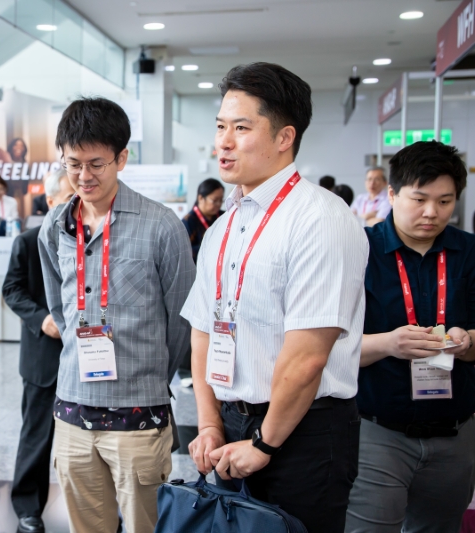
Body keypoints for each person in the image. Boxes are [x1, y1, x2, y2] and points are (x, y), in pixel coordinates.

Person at [181, 62, 368, 533]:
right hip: (231, 425)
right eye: (220, 127)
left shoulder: (321, 219)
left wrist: (265, 443)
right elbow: (202, 332)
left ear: (285, 137)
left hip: (303, 433)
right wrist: (209, 424)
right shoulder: (223, 227)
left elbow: (307, 356)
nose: (224, 142)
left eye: (241, 128)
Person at [38, 97, 195, 533]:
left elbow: (181, 322)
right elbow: (59, 308)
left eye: (96, 164)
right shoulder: (55, 226)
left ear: (121, 158)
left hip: (138, 414)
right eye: (73, 164)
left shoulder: (161, 225)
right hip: (72, 412)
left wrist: (149, 375)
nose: (83, 176)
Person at [345, 141, 475, 533]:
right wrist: (388, 344)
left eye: (445, 201)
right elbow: (324, 347)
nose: (432, 212)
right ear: (392, 194)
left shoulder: (469, 252)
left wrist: (469, 342)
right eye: (419, 199)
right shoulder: (358, 252)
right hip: (377, 430)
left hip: (455, 432)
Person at [2, 170, 75, 533]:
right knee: (37, 436)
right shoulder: (28, 242)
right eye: (69, 197)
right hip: (44, 357)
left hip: (87, 359)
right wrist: (42, 319)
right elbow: (12, 289)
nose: (77, 204)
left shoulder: (94, 242)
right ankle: (28, 508)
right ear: (50, 201)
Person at [182, 178, 225, 262]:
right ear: (201, 198)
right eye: (215, 200)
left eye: (221, 200)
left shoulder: (224, 216)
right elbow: (183, 252)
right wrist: (211, 247)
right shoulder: (188, 221)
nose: (219, 204)